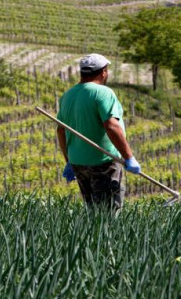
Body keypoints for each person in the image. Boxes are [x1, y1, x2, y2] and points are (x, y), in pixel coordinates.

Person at [56, 53, 141, 211]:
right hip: (103, 162)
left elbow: (61, 130)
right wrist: (129, 157)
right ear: (103, 72)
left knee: (93, 213)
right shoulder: (103, 93)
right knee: (108, 214)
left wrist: (68, 160)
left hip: (78, 163)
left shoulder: (67, 95)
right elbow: (111, 126)